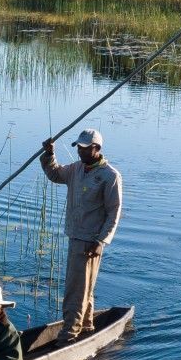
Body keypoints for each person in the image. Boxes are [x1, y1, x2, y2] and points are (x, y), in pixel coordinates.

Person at [40, 129, 122, 343]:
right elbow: (56, 174)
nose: (81, 152)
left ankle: (69, 335)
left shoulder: (109, 176)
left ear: (97, 149)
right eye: (79, 147)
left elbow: (114, 211)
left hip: (90, 241)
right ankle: (86, 325)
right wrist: (49, 155)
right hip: (75, 236)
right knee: (84, 286)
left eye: (86, 148)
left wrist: (101, 241)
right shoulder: (76, 169)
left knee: (75, 290)